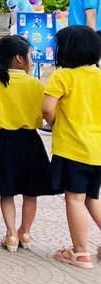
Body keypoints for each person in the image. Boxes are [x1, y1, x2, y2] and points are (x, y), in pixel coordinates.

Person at [0, 35, 53, 253]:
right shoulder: (35, 84)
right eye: (30, 55)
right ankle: (26, 232)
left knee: (7, 191)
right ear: (19, 59)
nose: (32, 59)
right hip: (30, 141)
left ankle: (11, 234)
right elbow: (45, 110)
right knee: (31, 191)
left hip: (2, 141)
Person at [42, 25, 101, 269]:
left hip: (72, 149)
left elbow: (47, 109)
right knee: (92, 198)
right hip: (97, 150)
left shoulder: (63, 77)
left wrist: (55, 124)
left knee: (75, 199)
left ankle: (80, 252)